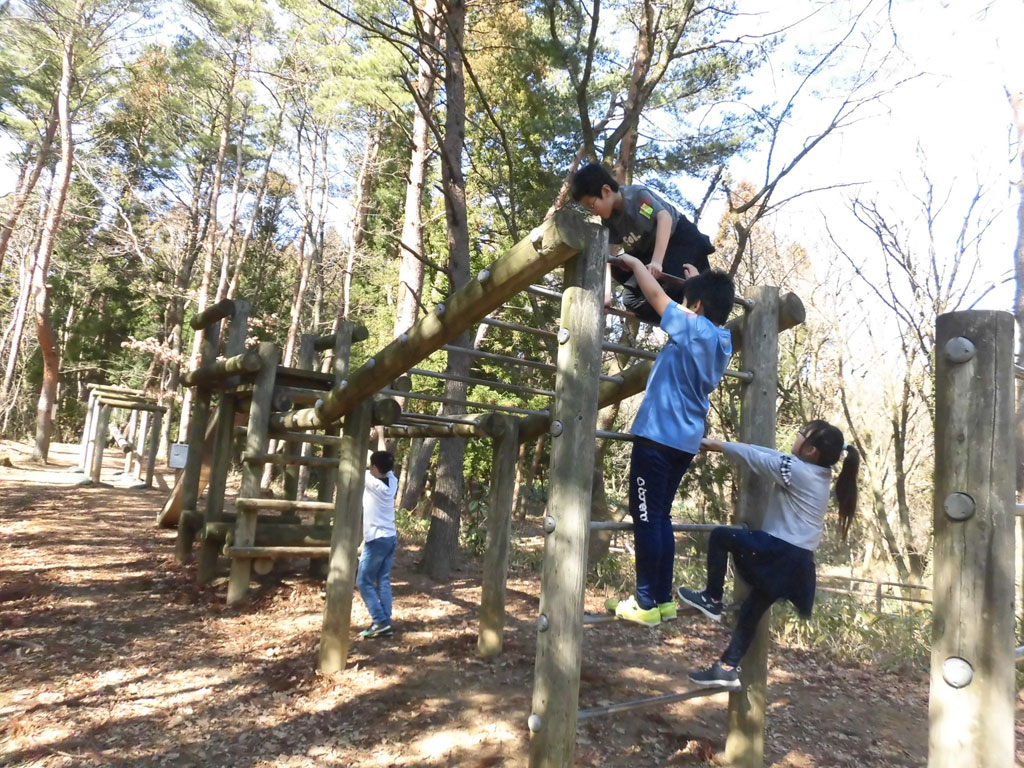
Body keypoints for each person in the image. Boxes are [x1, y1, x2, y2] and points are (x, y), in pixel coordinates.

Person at [678, 421, 861, 690]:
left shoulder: (797, 471)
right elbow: (768, 453)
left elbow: (755, 458)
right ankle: (727, 668)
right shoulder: (818, 472)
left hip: (779, 551)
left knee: (721, 536)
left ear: (810, 450)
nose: (796, 435)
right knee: (752, 611)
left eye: (802, 433)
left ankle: (712, 597)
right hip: (798, 562)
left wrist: (716, 445)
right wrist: (718, 445)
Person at [607, 253, 736, 628]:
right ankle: (662, 600)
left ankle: (645, 602)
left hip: (658, 437)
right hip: (683, 441)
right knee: (659, 517)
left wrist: (635, 264)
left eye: (688, 305)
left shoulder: (692, 329)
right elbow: (707, 307)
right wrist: (698, 283)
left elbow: (656, 298)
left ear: (694, 308)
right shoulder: (721, 339)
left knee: (646, 518)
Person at [570, 162, 716, 324]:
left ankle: (693, 309)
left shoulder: (636, 198)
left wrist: (656, 262)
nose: (593, 212)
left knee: (670, 285)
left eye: (592, 205)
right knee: (630, 297)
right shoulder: (609, 221)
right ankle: (677, 318)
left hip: (680, 239)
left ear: (606, 191)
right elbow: (608, 257)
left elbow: (664, 218)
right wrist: (605, 295)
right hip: (649, 251)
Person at [356, 429, 399, 639]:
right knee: (382, 579)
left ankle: (380, 621)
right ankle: (385, 622)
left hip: (377, 539)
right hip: (390, 537)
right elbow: (382, 458)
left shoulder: (370, 481)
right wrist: (380, 435)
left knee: (363, 581)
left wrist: (366, 438)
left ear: (374, 468)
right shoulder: (392, 481)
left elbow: (360, 454)